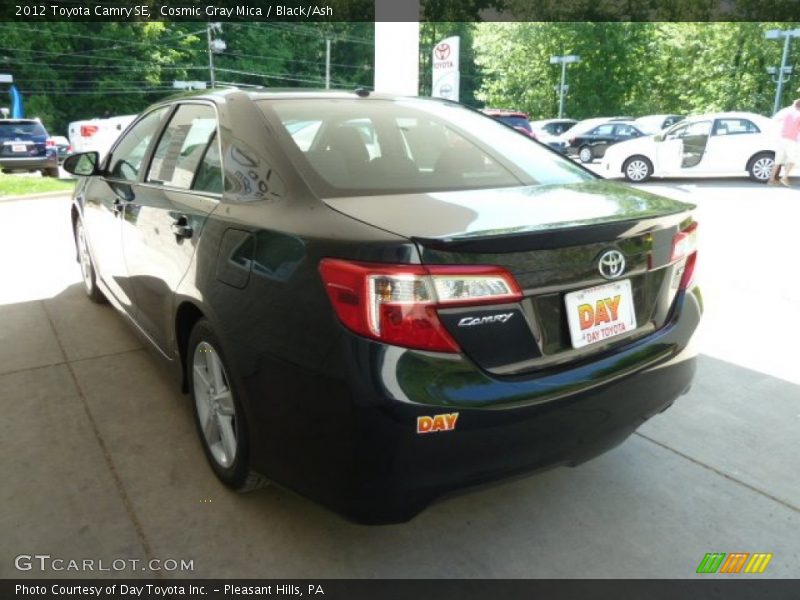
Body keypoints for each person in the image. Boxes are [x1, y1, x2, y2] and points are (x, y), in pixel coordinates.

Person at [768, 98, 800, 186]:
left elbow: (776, 120)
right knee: (792, 160)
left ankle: (771, 179)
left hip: (781, 139)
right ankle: (784, 178)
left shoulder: (787, 113)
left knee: (777, 160)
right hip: (791, 140)